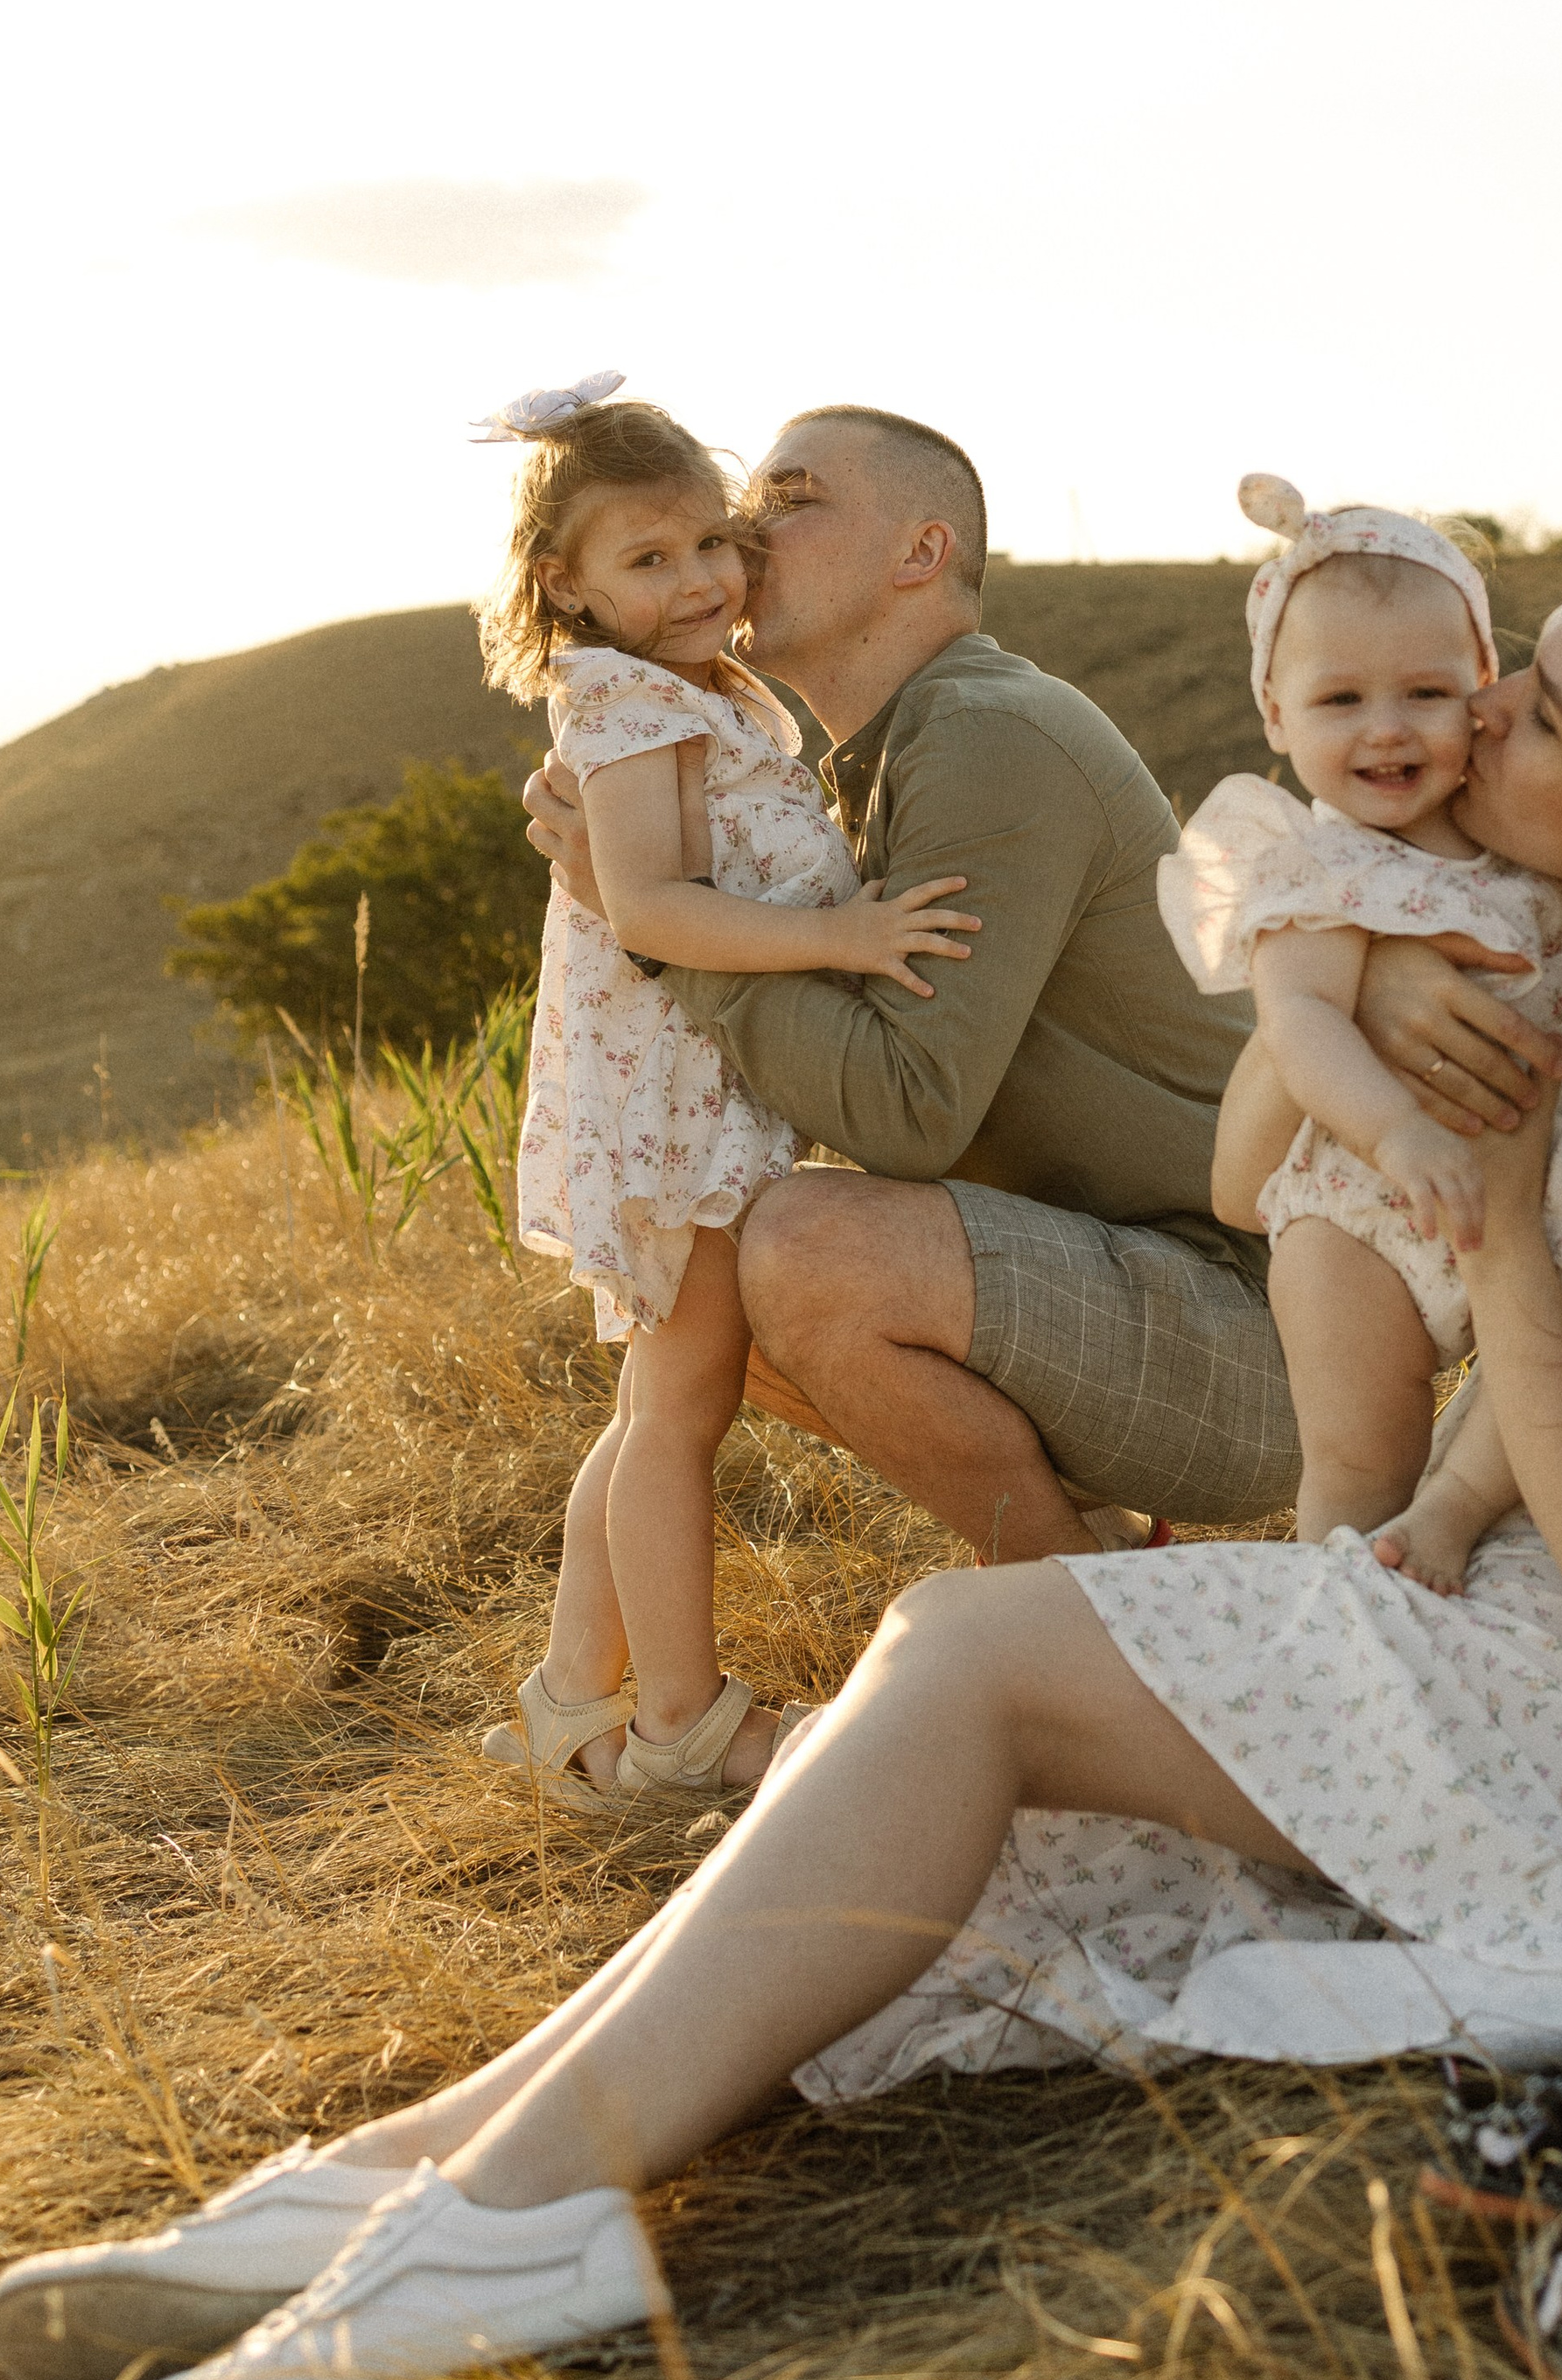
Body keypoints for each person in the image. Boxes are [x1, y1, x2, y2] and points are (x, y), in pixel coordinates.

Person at [0, 537, 1562, 2380]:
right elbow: (1251, 1134)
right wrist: (1349, 992)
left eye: (1533, 705)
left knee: (966, 1657)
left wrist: (1494, 1252)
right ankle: (425, 2166)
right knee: (955, 1767)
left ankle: (522, 2218)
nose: (1469, 717)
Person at [531, 403, 1475, 1558]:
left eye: (791, 499)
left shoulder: (986, 735)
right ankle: (1104, 1555)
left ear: (920, 554)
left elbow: (908, 1113)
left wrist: (666, 938)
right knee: (700, 1271)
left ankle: (1085, 1622)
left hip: (1277, 1337)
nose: (738, 527)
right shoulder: (874, 767)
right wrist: (661, 884)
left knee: (797, 1249)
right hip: (1152, 1291)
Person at [471, 378, 981, 1808]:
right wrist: (843, 936)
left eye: (711, 541)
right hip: (671, 1110)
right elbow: (654, 910)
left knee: (655, 1403)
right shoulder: (624, 702)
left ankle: (572, 1700)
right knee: (680, 1413)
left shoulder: (700, 686)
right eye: (648, 560)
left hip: (701, 1089)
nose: (698, 577)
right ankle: (683, 1723)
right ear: (564, 586)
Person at [1160, 473, 1562, 1549]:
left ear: (1483, 686)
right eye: (1341, 702)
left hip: (1553, 1182)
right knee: (1352, 1453)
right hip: (1356, 1208)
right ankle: (1338, 1600)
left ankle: (1450, 1515)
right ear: (1275, 716)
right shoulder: (1318, 873)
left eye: (1423, 694)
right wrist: (1395, 1132)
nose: (1386, 731)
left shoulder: (1525, 839)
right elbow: (1300, 1027)